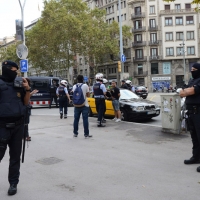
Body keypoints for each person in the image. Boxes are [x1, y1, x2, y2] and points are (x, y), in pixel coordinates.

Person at [0, 61, 30, 196]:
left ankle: (13, 183)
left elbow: (25, 102)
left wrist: (27, 89)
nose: (16, 73)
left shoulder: (18, 84)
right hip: (2, 126)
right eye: (13, 70)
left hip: (18, 126)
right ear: (6, 69)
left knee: (15, 158)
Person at [179, 63, 200, 173]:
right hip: (191, 113)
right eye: (191, 69)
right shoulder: (192, 81)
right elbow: (184, 92)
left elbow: (189, 91)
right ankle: (196, 157)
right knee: (194, 137)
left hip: (199, 112)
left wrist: (187, 91)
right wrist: (186, 91)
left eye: (195, 69)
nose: (192, 71)